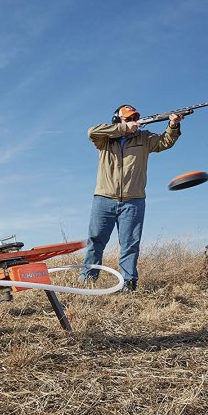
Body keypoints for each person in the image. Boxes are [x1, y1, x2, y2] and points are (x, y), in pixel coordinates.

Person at [79, 104, 183, 291]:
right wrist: (123, 128)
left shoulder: (144, 137)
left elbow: (165, 142)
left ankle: (128, 283)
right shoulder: (105, 140)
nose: (133, 121)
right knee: (95, 241)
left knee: (130, 245)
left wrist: (173, 125)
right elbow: (91, 132)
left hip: (133, 200)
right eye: (128, 119)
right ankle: (87, 280)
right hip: (104, 198)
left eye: (135, 118)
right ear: (117, 120)